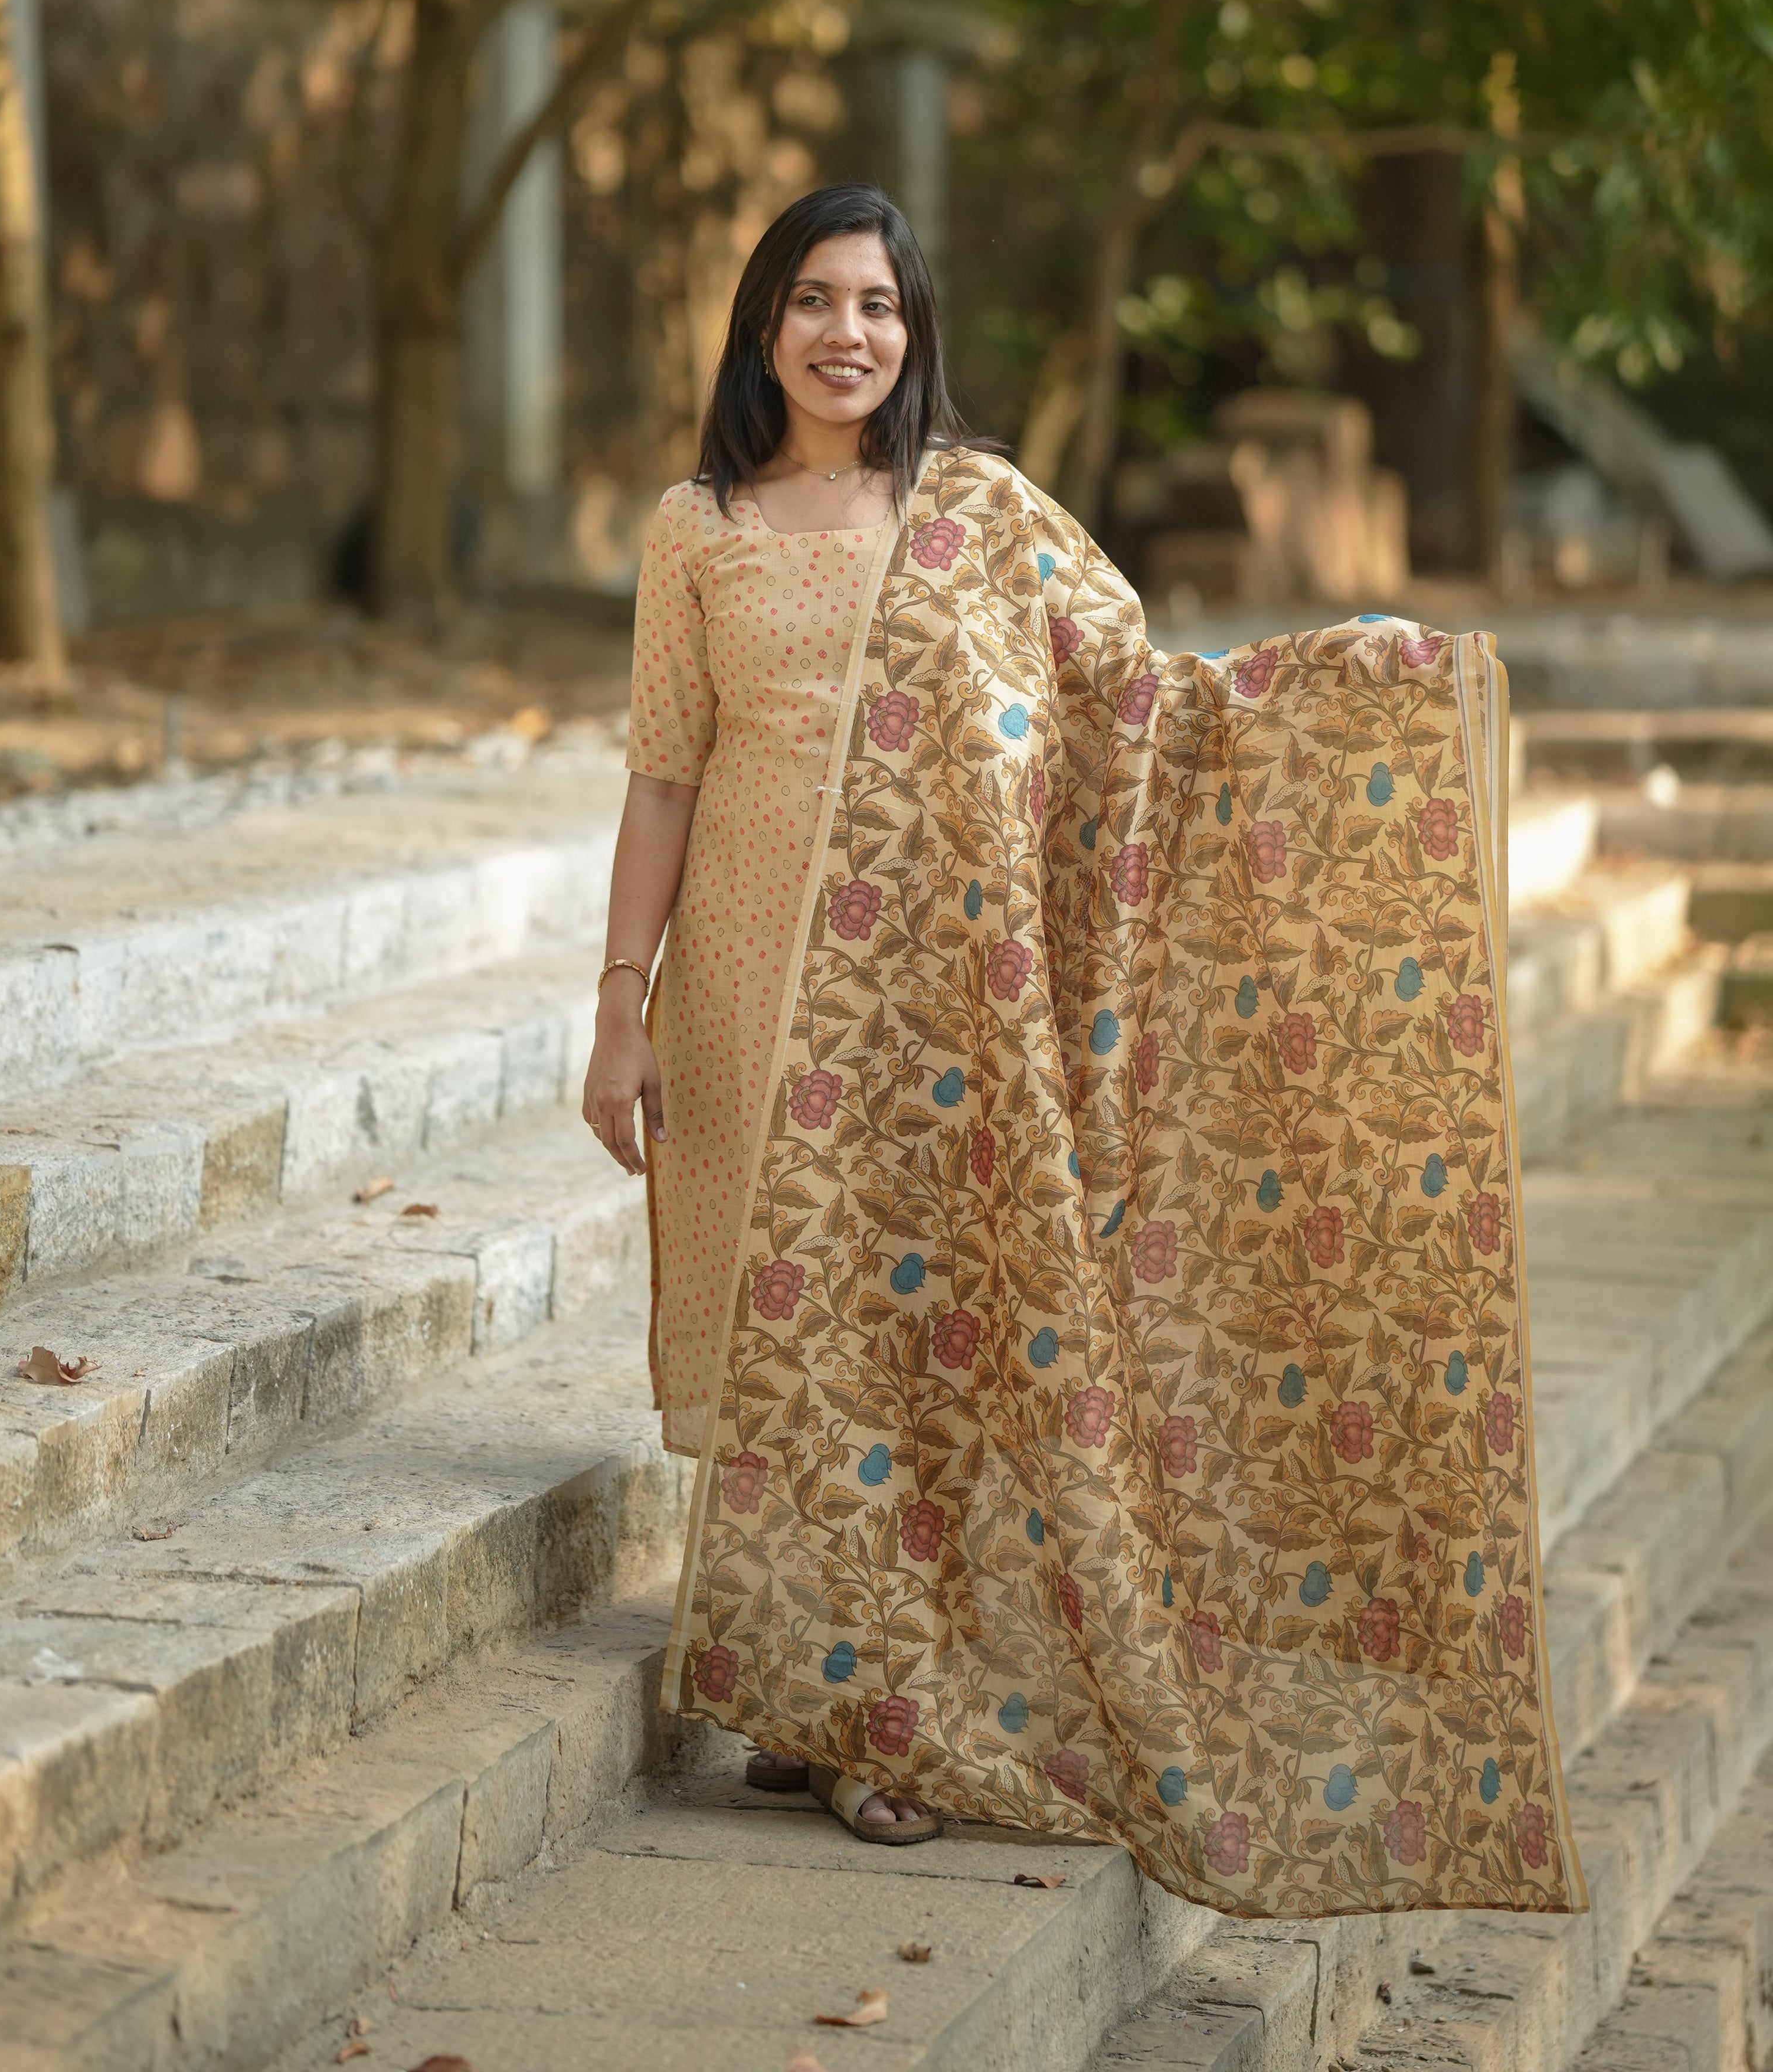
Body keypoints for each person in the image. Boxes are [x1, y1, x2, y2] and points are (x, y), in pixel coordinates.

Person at [583, 183, 1585, 1916]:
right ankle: (810, 1689)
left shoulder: (978, 511)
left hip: (942, 1002)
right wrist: (620, 999)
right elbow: (665, 769)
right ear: (762, 324)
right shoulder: (698, 527)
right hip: (748, 976)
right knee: (784, 1326)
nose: (849, 334)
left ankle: (879, 1714)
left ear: (916, 332)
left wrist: (1352, 694)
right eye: (816, 301)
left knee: (903, 1325)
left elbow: (1142, 707)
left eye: (879, 305)